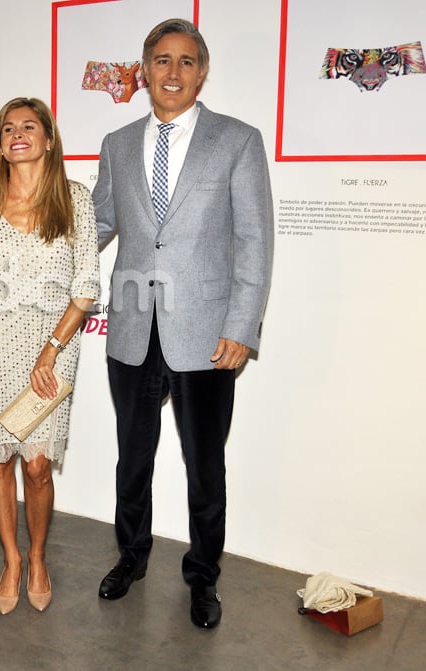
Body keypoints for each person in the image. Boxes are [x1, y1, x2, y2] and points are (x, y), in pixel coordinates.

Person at [92, 18, 273, 629]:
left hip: (206, 333)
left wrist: (242, 326)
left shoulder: (238, 141)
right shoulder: (117, 143)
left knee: (205, 464)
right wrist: (33, 245)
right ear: (144, 71)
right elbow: (96, 226)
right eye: (162, 61)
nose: (173, 72)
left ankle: (203, 576)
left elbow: (253, 240)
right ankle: (131, 557)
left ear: (202, 71)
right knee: (132, 458)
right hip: (132, 328)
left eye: (187, 61)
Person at [0, 97, 100, 614]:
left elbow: (86, 286)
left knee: (36, 466)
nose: (17, 134)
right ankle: (11, 559)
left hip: (51, 349)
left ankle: (38, 555)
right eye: (7, 128)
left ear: (48, 139)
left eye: (28, 126)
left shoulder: (75, 199)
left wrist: (51, 350)